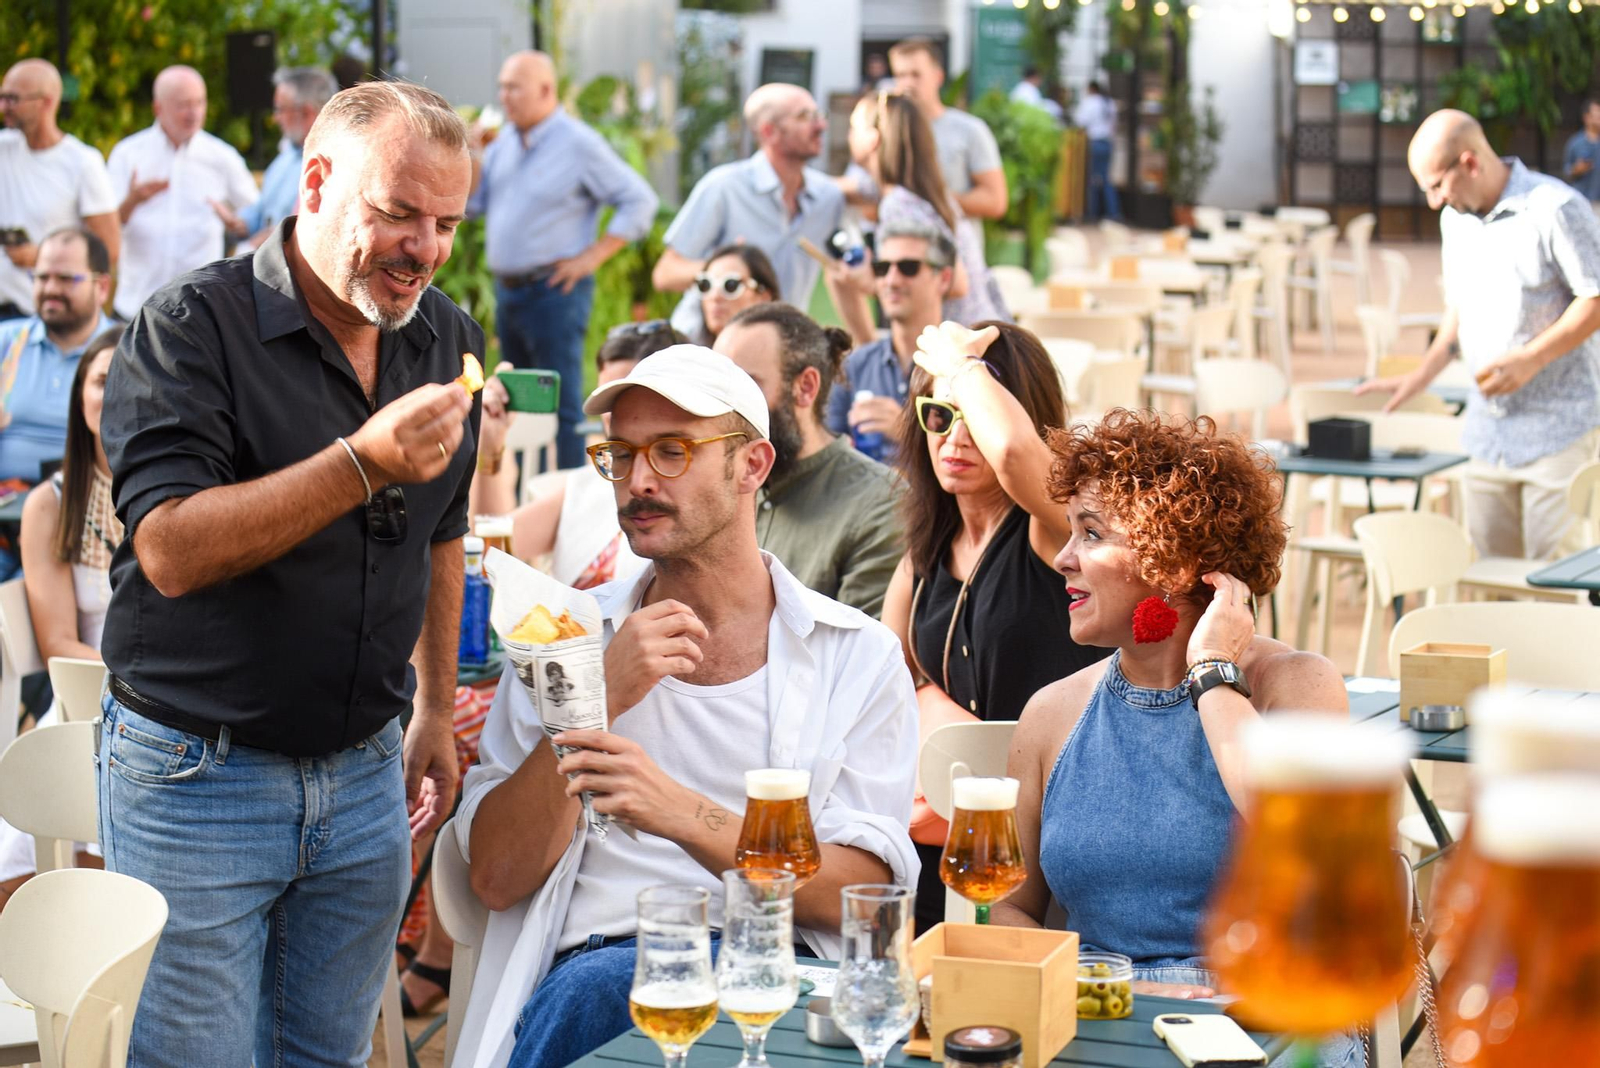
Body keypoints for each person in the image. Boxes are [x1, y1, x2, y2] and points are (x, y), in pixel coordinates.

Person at [97, 80, 481, 1066]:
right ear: (315, 183)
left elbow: (444, 531)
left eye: (446, 224)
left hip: (365, 775)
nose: (425, 249)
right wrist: (361, 463)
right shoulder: (188, 326)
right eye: (399, 213)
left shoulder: (444, 335)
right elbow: (169, 550)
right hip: (197, 778)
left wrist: (437, 709)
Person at [454, 345, 919, 1068]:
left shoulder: (854, 655)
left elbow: (857, 896)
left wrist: (680, 813)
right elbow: (495, 877)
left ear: (752, 464)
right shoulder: (562, 638)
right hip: (604, 976)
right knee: (602, 991)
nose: (638, 480)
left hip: (778, 977)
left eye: (672, 452)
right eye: (621, 454)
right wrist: (594, 698)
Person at [995, 410, 1352, 1063]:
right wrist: (1104, 986)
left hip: (1270, 1021)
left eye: (1091, 533)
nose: (1063, 559)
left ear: (1175, 560)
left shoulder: (1296, 685)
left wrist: (1212, 672)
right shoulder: (1051, 713)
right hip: (1102, 1016)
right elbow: (1008, 909)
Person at [880, 320, 1109, 933]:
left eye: (972, 419)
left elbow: (1012, 453)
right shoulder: (926, 547)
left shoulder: (1052, 530)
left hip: (1051, 831)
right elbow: (887, 674)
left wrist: (962, 367)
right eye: (938, 416)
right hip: (947, 831)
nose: (955, 438)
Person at [1356, 109, 1600, 562]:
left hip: (1560, 428)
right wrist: (1422, 375)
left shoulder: (1556, 207)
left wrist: (1532, 358)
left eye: (1436, 185)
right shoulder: (1456, 219)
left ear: (1469, 163)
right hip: (1487, 432)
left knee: (1553, 586)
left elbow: (1595, 297)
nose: (1433, 202)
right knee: (1491, 581)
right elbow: (1459, 308)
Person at [469, 50, 660, 470]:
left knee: (562, 405)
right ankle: (522, 490)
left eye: (513, 87)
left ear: (545, 90)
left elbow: (639, 201)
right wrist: (474, 155)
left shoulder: (578, 144)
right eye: (501, 87)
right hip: (509, 292)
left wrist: (592, 256)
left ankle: (569, 494)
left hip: (555, 292)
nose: (503, 96)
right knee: (516, 400)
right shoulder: (503, 145)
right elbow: (473, 205)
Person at [0, 323, 124, 915]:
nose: (114, 392)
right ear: (80, 396)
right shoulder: (50, 502)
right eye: (101, 380)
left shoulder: (179, 491)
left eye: (127, 378)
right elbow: (56, 642)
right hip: (84, 702)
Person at [714, 302, 903, 617]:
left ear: (805, 387)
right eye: (717, 389)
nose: (724, 407)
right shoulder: (713, 486)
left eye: (747, 386)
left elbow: (867, 645)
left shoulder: (882, 503)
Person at [469, 322, 687, 590]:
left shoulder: (689, 501)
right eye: (606, 399)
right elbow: (489, 551)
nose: (610, 417)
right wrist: (490, 446)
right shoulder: (586, 488)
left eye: (624, 398)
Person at [653, 83, 872, 346]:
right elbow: (665, 273)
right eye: (805, 117)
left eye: (819, 115)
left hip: (776, 348)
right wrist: (728, 270)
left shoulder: (828, 198)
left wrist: (872, 348)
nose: (821, 126)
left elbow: (842, 276)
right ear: (769, 132)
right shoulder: (725, 187)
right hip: (704, 344)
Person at [106, 65, 259, 320]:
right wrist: (133, 201)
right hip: (135, 307)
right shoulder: (128, 154)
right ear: (158, 108)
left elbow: (256, 217)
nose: (194, 113)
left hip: (199, 313)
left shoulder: (222, 156)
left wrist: (237, 224)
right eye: (183, 105)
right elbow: (107, 227)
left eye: (199, 102)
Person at [847, 90, 1009, 326]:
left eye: (854, 128)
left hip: (958, 338)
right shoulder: (929, 195)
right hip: (985, 330)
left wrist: (872, 282)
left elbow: (957, 283)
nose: (849, 135)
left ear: (872, 139)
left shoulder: (899, 206)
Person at [0, 58, 119, 321]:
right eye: (2, 97)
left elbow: (109, 249)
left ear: (46, 102)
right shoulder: (4, 148)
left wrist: (42, 257)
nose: (3, 107)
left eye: (12, 99)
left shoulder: (82, 163)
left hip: (46, 316)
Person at [0, 227, 115, 491]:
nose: (51, 289)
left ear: (102, 287)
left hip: (89, 500)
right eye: (42, 277)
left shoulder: (123, 352)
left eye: (66, 278)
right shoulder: (6, 343)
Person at [826, 219, 954, 439]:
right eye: (882, 268)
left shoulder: (963, 369)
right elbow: (826, 449)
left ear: (943, 279)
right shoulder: (854, 367)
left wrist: (905, 431)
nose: (892, 280)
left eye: (908, 268)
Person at [213, 67, 339, 251]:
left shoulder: (335, 165)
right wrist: (241, 223)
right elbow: (262, 210)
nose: (276, 118)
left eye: (281, 109)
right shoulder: (285, 158)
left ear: (306, 112)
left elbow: (307, 228)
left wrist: (259, 243)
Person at [888, 38, 1009, 228]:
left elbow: (995, 201)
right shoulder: (886, 131)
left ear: (938, 77)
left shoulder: (970, 130)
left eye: (916, 74)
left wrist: (931, 199)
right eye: (900, 75)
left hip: (953, 244)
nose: (907, 83)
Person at [693, 242, 780, 346]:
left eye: (730, 285)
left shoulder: (784, 354)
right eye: (706, 285)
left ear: (764, 297)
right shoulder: (687, 352)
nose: (715, 296)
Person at [1074, 81, 1121, 223]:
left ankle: (1092, 213)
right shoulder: (1110, 103)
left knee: (1092, 179)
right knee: (1106, 179)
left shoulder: (1090, 102)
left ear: (1091, 89)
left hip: (1094, 143)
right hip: (1108, 143)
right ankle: (1113, 212)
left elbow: (1080, 121)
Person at [1565, 100, 1600, 210]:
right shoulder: (1575, 143)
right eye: (1597, 114)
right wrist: (1576, 170)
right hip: (1581, 203)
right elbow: (1566, 172)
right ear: (1586, 117)